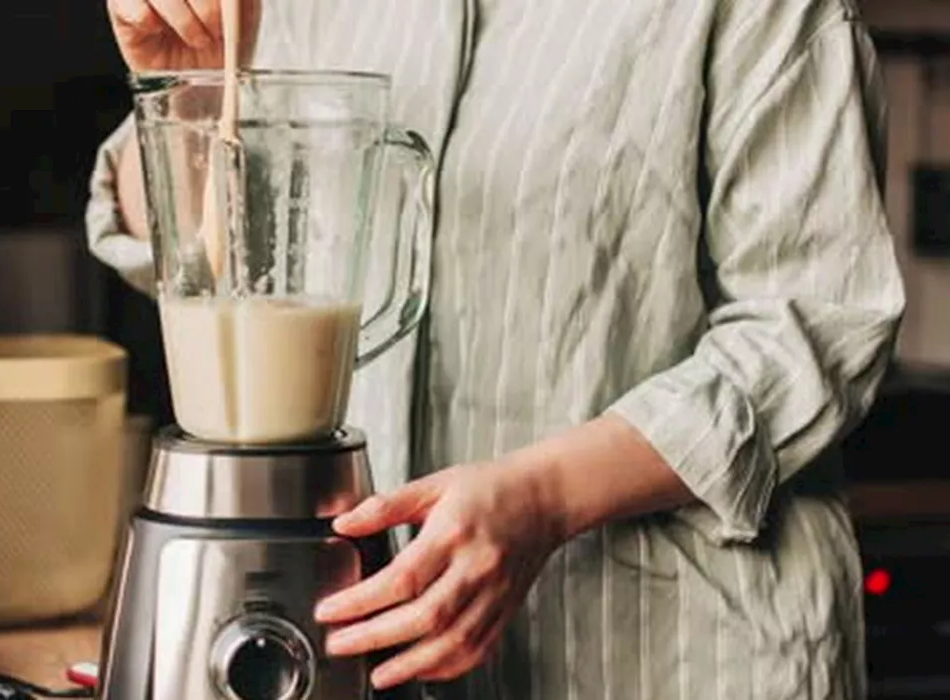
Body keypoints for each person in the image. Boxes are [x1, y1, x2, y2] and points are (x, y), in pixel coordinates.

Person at [87, 0, 907, 697]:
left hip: (677, 655)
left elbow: (816, 319)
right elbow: (217, 265)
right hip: (371, 651)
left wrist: (545, 496)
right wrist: (185, 92)